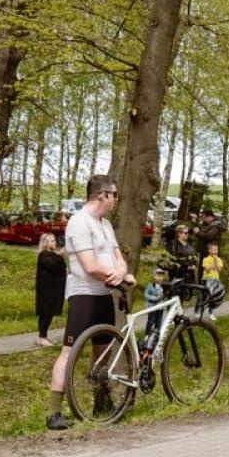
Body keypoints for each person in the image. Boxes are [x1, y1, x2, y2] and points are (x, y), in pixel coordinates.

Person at [46, 175, 134, 430]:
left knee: (102, 353)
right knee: (68, 352)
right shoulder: (79, 222)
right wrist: (117, 276)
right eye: (114, 194)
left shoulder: (105, 225)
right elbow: (89, 265)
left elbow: (119, 257)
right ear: (102, 195)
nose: (116, 199)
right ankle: (54, 412)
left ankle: (101, 402)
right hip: (84, 295)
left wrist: (121, 271)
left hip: (104, 295)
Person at [34, 233, 66, 348]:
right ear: (45, 243)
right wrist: (59, 255)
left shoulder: (52, 255)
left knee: (49, 313)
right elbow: (51, 265)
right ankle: (41, 337)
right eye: (51, 241)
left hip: (54, 289)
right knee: (45, 313)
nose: (54, 243)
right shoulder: (43, 255)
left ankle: (44, 335)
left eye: (54, 240)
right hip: (46, 290)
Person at [143, 267, 169, 343]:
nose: (160, 278)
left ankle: (157, 336)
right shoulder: (150, 286)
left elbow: (164, 295)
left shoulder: (163, 286)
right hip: (152, 307)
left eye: (161, 276)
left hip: (160, 308)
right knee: (151, 321)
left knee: (159, 322)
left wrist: (166, 294)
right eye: (158, 275)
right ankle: (147, 335)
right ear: (154, 276)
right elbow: (146, 294)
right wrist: (154, 298)